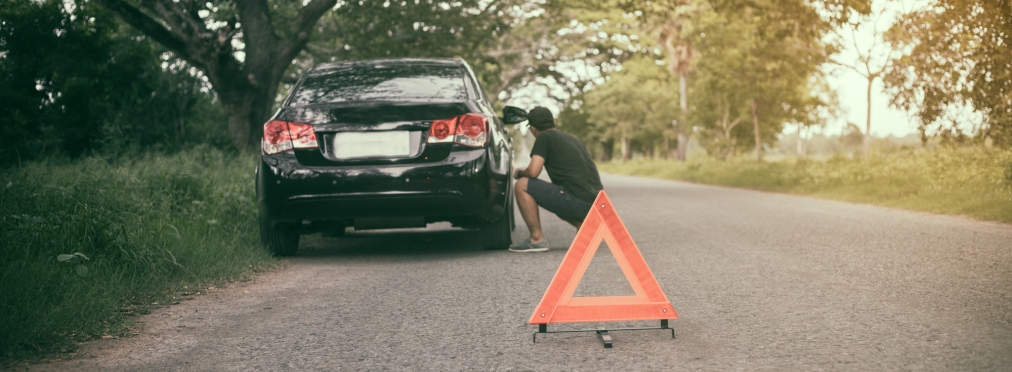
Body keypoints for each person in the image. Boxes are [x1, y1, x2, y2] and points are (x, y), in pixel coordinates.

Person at [509, 106, 604, 253]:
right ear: (554, 122)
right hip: (596, 202)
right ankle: (584, 225)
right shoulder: (572, 138)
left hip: (576, 200)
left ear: (533, 129)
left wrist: (520, 173)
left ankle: (536, 239)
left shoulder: (544, 138)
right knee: (559, 193)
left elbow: (533, 172)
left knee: (522, 185)